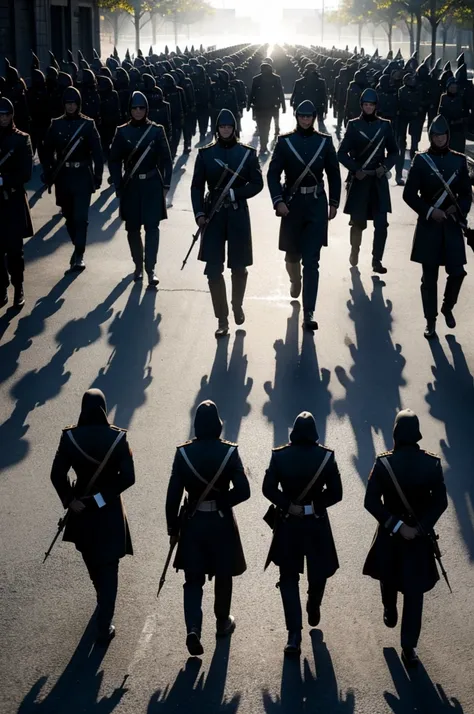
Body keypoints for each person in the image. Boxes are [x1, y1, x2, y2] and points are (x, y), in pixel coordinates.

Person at [363, 409, 448, 668]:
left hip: (390, 535)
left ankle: (389, 609)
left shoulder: (383, 463)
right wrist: (420, 528)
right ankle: (409, 648)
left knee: (387, 576)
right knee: (414, 593)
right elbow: (440, 502)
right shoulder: (432, 463)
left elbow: (370, 502)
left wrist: (397, 525)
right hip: (419, 540)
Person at [50, 389, 135, 646]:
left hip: (81, 511)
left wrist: (69, 500)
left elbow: (57, 475)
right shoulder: (118, 438)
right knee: (109, 565)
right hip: (108, 511)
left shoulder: (70, 437)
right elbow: (128, 478)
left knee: (92, 560)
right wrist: (101, 499)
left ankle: (102, 602)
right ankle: (104, 622)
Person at [166, 400, 250, 657]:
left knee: (193, 580)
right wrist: (222, 501)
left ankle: (193, 628)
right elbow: (244, 491)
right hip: (221, 522)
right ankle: (222, 622)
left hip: (193, 523)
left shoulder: (183, 453)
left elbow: (172, 498)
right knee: (223, 575)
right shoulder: (229, 452)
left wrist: (173, 529)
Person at [262, 412, 342, 656]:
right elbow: (336, 493)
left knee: (287, 578)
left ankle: (293, 635)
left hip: (288, 523)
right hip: (316, 523)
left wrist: (288, 505)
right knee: (318, 570)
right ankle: (314, 603)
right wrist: (312, 507)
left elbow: (268, 489)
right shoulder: (326, 457)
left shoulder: (279, 455)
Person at [267, 100, 341, 331]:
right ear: (297, 117)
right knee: (292, 257)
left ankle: (309, 312)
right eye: (302, 116)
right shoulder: (285, 141)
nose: (306, 120)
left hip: (317, 204)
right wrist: (278, 201)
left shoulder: (325, 142)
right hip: (292, 204)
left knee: (312, 261)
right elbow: (272, 174)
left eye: (309, 116)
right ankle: (294, 279)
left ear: (314, 117)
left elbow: (334, 174)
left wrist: (334, 203)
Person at [190, 108, 263, 338]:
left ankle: (237, 304)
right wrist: (199, 213)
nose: (225, 130)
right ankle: (221, 318)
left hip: (238, 212)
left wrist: (235, 194)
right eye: (222, 127)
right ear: (217, 129)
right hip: (213, 214)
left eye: (229, 127)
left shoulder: (247, 154)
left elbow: (257, 184)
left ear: (235, 128)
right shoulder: (205, 154)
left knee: (239, 267)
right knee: (213, 268)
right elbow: (196, 186)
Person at [402, 114, 472, 339]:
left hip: (451, 225)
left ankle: (447, 307)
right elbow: (409, 194)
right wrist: (431, 211)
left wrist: (457, 209)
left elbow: (466, 196)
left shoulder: (459, 160)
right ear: (430, 136)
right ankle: (430, 321)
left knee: (458, 272)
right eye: (435, 135)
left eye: (443, 135)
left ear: (448, 136)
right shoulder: (421, 161)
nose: (440, 139)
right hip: (429, 226)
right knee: (429, 278)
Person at [109, 91, 172, 286]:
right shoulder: (122, 131)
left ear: (147, 109)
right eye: (134, 108)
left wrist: (166, 185)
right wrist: (118, 185)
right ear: (129, 109)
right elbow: (113, 161)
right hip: (131, 185)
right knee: (133, 228)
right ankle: (138, 265)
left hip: (152, 184)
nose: (138, 111)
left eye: (141, 108)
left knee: (152, 227)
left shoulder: (156, 130)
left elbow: (167, 160)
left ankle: (150, 268)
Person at [337, 87, 398, 273]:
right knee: (358, 224)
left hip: (378, 181)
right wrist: (356, 170)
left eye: (371, 105)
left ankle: (376, 260)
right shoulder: (353, 125)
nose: (369, 107)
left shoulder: (385, 125)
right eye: (366, 104)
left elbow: (394, 152)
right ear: (361, 106)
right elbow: (341, 153)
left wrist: (385, 167)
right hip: (360, 182)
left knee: (382, 224)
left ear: (376, 106)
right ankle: (355, 251)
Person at [42, 86, 103, 272]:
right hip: (63, 177)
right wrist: (49, 170)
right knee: (68, 216)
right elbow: (46, 151)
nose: (70, 107)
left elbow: (98, 153)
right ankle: (77, 244)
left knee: (80, 217)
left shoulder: (88, 124)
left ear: (79, 104)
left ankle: (79, 253)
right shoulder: (56, 124)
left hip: (83, 176)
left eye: (73, 103)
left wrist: (98, 175)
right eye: (68, 103)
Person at [0, 97, 33, 309]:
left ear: (12, 115)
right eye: (0, 115)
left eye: (6, 114)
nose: (3, 118)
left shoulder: (22, 139)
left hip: (11, 200)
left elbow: (26, 173)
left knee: (14, 250)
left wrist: (5, 181)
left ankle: (18, 286)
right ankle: (1, 287)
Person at [247, 63, 286, 155]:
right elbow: (252, 92)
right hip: (259, 107)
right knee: (261, 127)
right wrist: (249, 105)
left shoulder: (276, 78)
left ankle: (264, 143)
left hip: (270, 107)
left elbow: (280, 92)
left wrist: (283, 105)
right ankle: (263, 144)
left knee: (266, 126)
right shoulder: (256, 79)